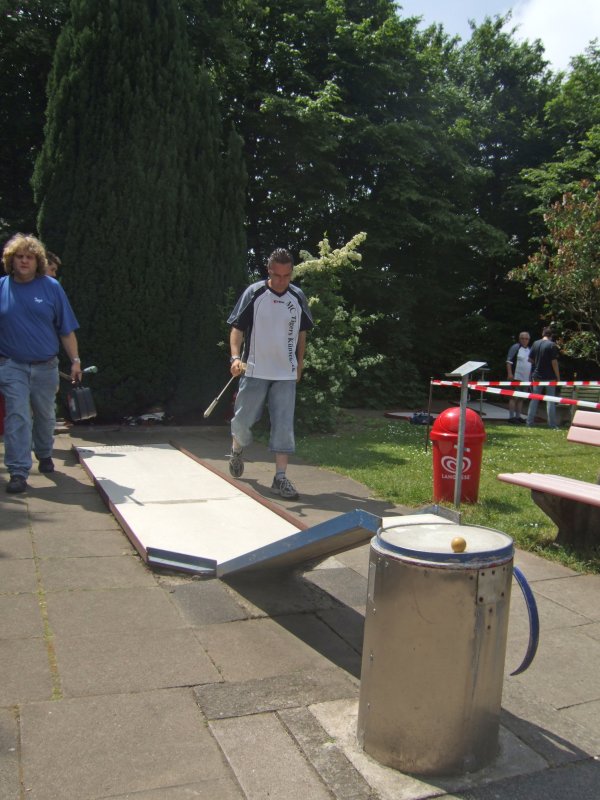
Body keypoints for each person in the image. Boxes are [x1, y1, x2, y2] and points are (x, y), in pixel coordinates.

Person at [227, 248, 313, 499]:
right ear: (269, 271)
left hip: (285, 373)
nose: (282, 281)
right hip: (254, 369)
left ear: (292, 272)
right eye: (277, 275)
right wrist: (235, 358)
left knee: (284, 425)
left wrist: (299, 364)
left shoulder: (297, 296)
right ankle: (236, 450)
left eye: (287, 276)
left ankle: (280, 478)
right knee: (242, 421)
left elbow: (302, 333)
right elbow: (237, 328)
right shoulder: (254, 293)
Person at [0, 234, 82, 493]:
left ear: (38, 262)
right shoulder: (2, 287)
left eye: (29, 257)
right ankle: (18, 471)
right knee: (17, 415)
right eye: (19, 257)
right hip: (12, 365)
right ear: (11, 260)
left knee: (45, 415)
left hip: (46, 366)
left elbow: (66, 329)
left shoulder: (51, 287)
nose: (24, 261)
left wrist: (75, 361)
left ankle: (45, 452)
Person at [526, 327, 561, 429]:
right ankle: (552, 424)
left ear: (543, 334)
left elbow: (530, 359)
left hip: (537, 376)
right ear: (551, 335)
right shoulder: (552, 345)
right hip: (550, 377)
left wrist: (538, 363)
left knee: (534, 399)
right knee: (550, 400)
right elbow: (554, 362)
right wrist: (558, 377)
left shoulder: (535, 343)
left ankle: (529, 422)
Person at [505, 331, 531, 424]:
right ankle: (511, 417)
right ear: (519, 339)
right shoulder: (515, 347)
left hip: (526, 379)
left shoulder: (529, 349)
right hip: (516, 377)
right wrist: (510, 374)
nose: (524, 340)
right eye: (522, 338)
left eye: (526, 339)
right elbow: (509, 362)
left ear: (529, 340)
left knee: (521, 398)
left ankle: (518, 416)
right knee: (514, 397)